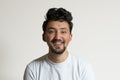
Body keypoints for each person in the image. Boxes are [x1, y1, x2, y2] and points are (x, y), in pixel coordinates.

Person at [23, 7, 95, 80]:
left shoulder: (83, 68)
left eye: (63, 32)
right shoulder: (33, 69)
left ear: (70, 37)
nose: (57, 37)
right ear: (44, 37)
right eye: (51, 31)